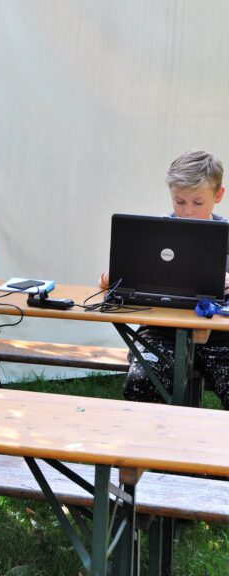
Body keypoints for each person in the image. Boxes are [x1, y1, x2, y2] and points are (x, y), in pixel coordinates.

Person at [99, 151, 229, 408]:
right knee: (141, 384)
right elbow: (107, 279)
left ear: (218, 195)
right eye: (179, 201)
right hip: (161, 333)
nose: (187, 211)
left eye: (197, 202)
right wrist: (121, 273)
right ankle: (152, 446)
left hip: (222, 338)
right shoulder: (156, 233)